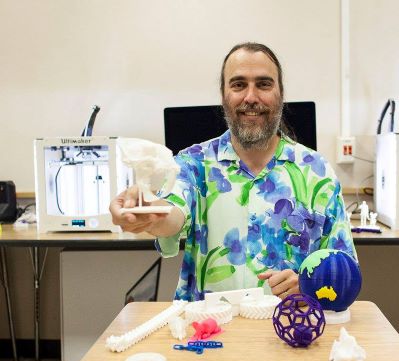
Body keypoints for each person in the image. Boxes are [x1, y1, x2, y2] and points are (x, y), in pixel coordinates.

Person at [109, 42, 357, 301]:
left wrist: (310, 283)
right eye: (238, 85)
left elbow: (347, 272)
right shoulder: (193, 164)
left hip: (292, 330)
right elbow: (172, 212)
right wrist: (146, 210)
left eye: (263, 84)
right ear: (224, 95)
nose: (251, 97)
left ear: (281, 94)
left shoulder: (317, 172)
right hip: (208, 332)